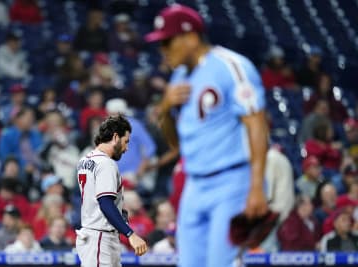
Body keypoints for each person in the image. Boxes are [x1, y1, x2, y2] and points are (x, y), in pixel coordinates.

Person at [144, 4, 268, 266]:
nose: (163, 51)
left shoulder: (231, 66)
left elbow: (257, 124)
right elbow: (176, 144)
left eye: (168, 42)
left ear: (190, 37)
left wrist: (256, 187)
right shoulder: (179, 77)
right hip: (194, 184)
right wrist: (166, 108)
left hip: (232, 180)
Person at [75, 115, 147, 267]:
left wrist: (121, 214)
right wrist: (130, 234)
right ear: (115, 137)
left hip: (93, 234)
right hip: (100, 237)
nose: (126, 148)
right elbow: (105, 202)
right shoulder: (106, 163)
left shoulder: (85, 159)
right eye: (126, 141)